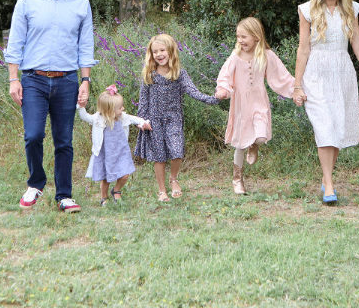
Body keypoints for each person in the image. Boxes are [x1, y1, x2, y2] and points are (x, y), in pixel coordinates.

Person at [4, 0, 97, 213]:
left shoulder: (81, 3)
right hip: (33, 80)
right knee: (33, 135)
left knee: (64, 140)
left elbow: (85, 46)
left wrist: (85, 81)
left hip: (67, 81)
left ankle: (64, 195)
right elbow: (15, 42)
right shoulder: (27, 0)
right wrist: (14, 79)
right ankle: (35, 184)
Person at [293, 0, 359, 204]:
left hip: (342, 73)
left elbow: (358, 45)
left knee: (336, 128)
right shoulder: (307, 10)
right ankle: (330, 185)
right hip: (316, 74)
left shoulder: (350, 9)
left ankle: (326, 178)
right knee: (324, 127)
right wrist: (297, 84)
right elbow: (303, 49)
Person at [134, 34, 219, 202]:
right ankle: (161, 190)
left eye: (162, 50)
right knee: (159, 156)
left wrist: (214, 99)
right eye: (155, 51)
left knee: (177, 150)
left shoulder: (179, 74)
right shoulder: (149, 75)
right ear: (151, 54)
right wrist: (141, 121)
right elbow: (143, 101)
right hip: (154, 121)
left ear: (171, 51)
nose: (159, 54)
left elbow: (193, 91)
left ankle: (173, 178)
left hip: (174, 118)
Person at [215, 17, 295, 195]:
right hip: (241, 106)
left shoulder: (266, 55)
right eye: (238, 37)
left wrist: (296, 89)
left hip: (259, 102)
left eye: (244, 37)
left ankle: (255, 146)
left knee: (260, 136)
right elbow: (225, 76)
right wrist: (223, 90)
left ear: (256, 36)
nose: (240, 41)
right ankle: (237, 179)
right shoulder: (235, 57)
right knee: (240, 145)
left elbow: (281, 77)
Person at [78, 84, 152, 206]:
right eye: (120, 107)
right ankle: (104, 197)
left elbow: (135, 119)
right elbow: (85, 117)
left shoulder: (121, 117)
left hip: (121, 151)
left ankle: (116, 190)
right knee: (106, 178)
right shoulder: (98, 118)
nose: (123, 109)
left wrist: (143, 123)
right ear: (110, 111)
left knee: (125, 174)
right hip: (106, 153)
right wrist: (81, 107)